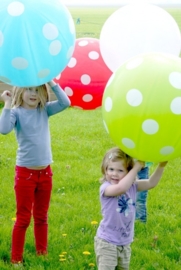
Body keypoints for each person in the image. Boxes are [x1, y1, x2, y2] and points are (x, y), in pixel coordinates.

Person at [0, 81, 70, 266]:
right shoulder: (16, 112)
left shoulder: (44, 110)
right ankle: (16, 259)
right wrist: (7, 104)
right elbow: (4, 129)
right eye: (29, 89)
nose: (33, 94)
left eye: (38, 91)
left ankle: (42, 253)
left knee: (41, 216)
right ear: (20, 91)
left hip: (45, 173)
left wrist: (52, 83)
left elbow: (65, 103)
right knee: (23, 218)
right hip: (25, 174)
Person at [94, 147, 167, 270]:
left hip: (125, 242)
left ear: (128, 172)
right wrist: (136, 168)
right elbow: (120, 189)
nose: (114, 174)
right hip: (107, 242)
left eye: (120, 170)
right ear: (105, 170)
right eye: (110, 169)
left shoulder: (132, 186)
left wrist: (161, 166)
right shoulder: (106, 188)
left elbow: (151, 183)